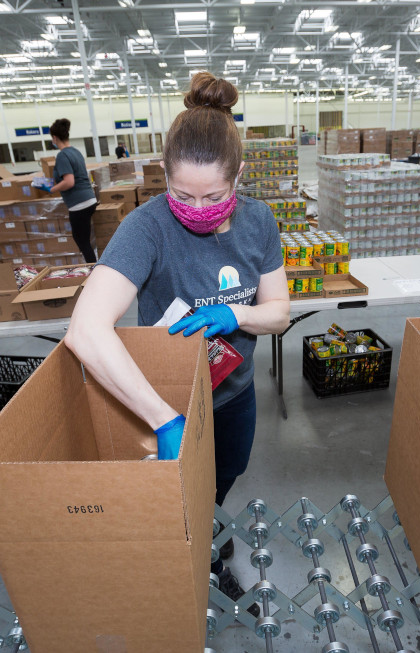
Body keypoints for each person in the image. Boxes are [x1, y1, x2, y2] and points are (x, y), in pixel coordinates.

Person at [64, 72, 289, 614]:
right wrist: (164, 419)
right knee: (173, 501)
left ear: (238, 175)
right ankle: (187, 564)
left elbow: (279, 314)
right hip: (163, 398)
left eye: (214, 194)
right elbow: (84, 329)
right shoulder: (148, 227)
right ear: (163, 174)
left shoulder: (258, 221)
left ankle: (210, 532)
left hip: (233, 394)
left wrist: (236, 314)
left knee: (221, 481)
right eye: (181, 192)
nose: (197, 206)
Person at [46, 118, 98, 264]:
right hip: (90, 199)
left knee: (82, 242)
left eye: (52, 139)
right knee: (85, 240)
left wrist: (52, 189)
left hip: (79, 203)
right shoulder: (76, 152)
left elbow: (69, 181)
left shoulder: (62, 155)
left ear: (55, 138)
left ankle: (92, 271)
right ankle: (93, 267)